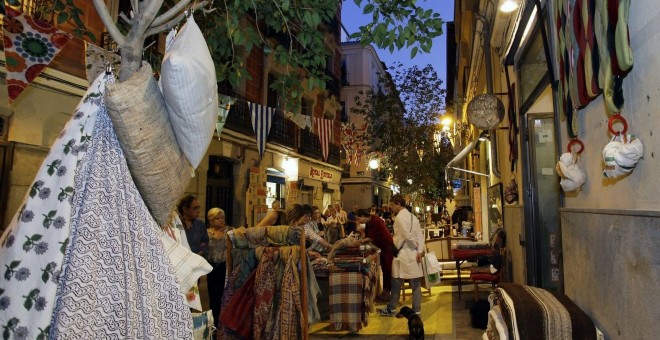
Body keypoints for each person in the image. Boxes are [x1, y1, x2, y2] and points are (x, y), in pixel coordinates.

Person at [379, 194, 425, 316]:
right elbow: (420, 235)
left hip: (402, 254)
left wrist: (414, 244)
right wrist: (419, 250)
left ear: (398, 204)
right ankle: (416, 309)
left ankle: (392, 308)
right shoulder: (413, 217)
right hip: (414, 254)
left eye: (392, 205)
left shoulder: (399, 218)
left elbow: (405, 234)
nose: (391, 208)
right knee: (415, 283)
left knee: (396, 282)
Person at [356, 209, 395, 301]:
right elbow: (366, 234)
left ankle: (388, 292)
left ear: (364, 216)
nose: (359, 221)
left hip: (388, 246)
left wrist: (359, 241)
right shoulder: (369, 222)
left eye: (359, 218)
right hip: (382, 247)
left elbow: (370, 237)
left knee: (387, 269)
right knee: (384, 268)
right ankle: (385, 291)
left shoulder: (375, 220)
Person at [205, 207, 232, 329]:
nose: (220, 220)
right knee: (213, 295)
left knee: (224, 295)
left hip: (224, 267)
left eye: (222, 218)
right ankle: (213, 323)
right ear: (211, 220)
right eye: (217, 218)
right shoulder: (207, 233)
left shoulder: (230, 232)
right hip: (211, 268)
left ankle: (223, 322)